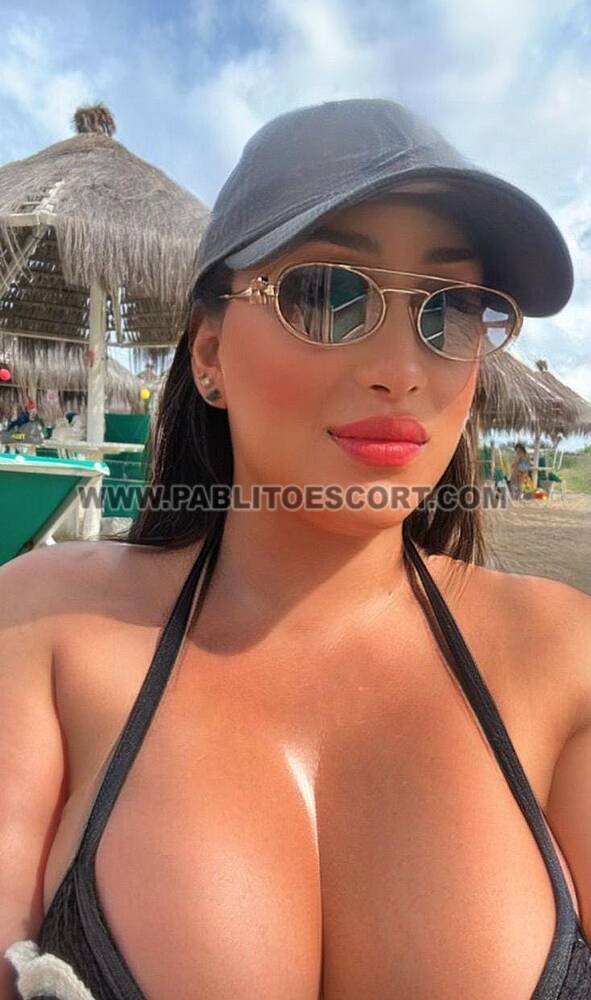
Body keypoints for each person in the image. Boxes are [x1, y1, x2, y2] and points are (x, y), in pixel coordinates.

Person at [1, 99, 590, 1000]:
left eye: (452, 309)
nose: (401, 368)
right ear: (208, 354)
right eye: (324, 293)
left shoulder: (561, 658)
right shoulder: (42, 629)